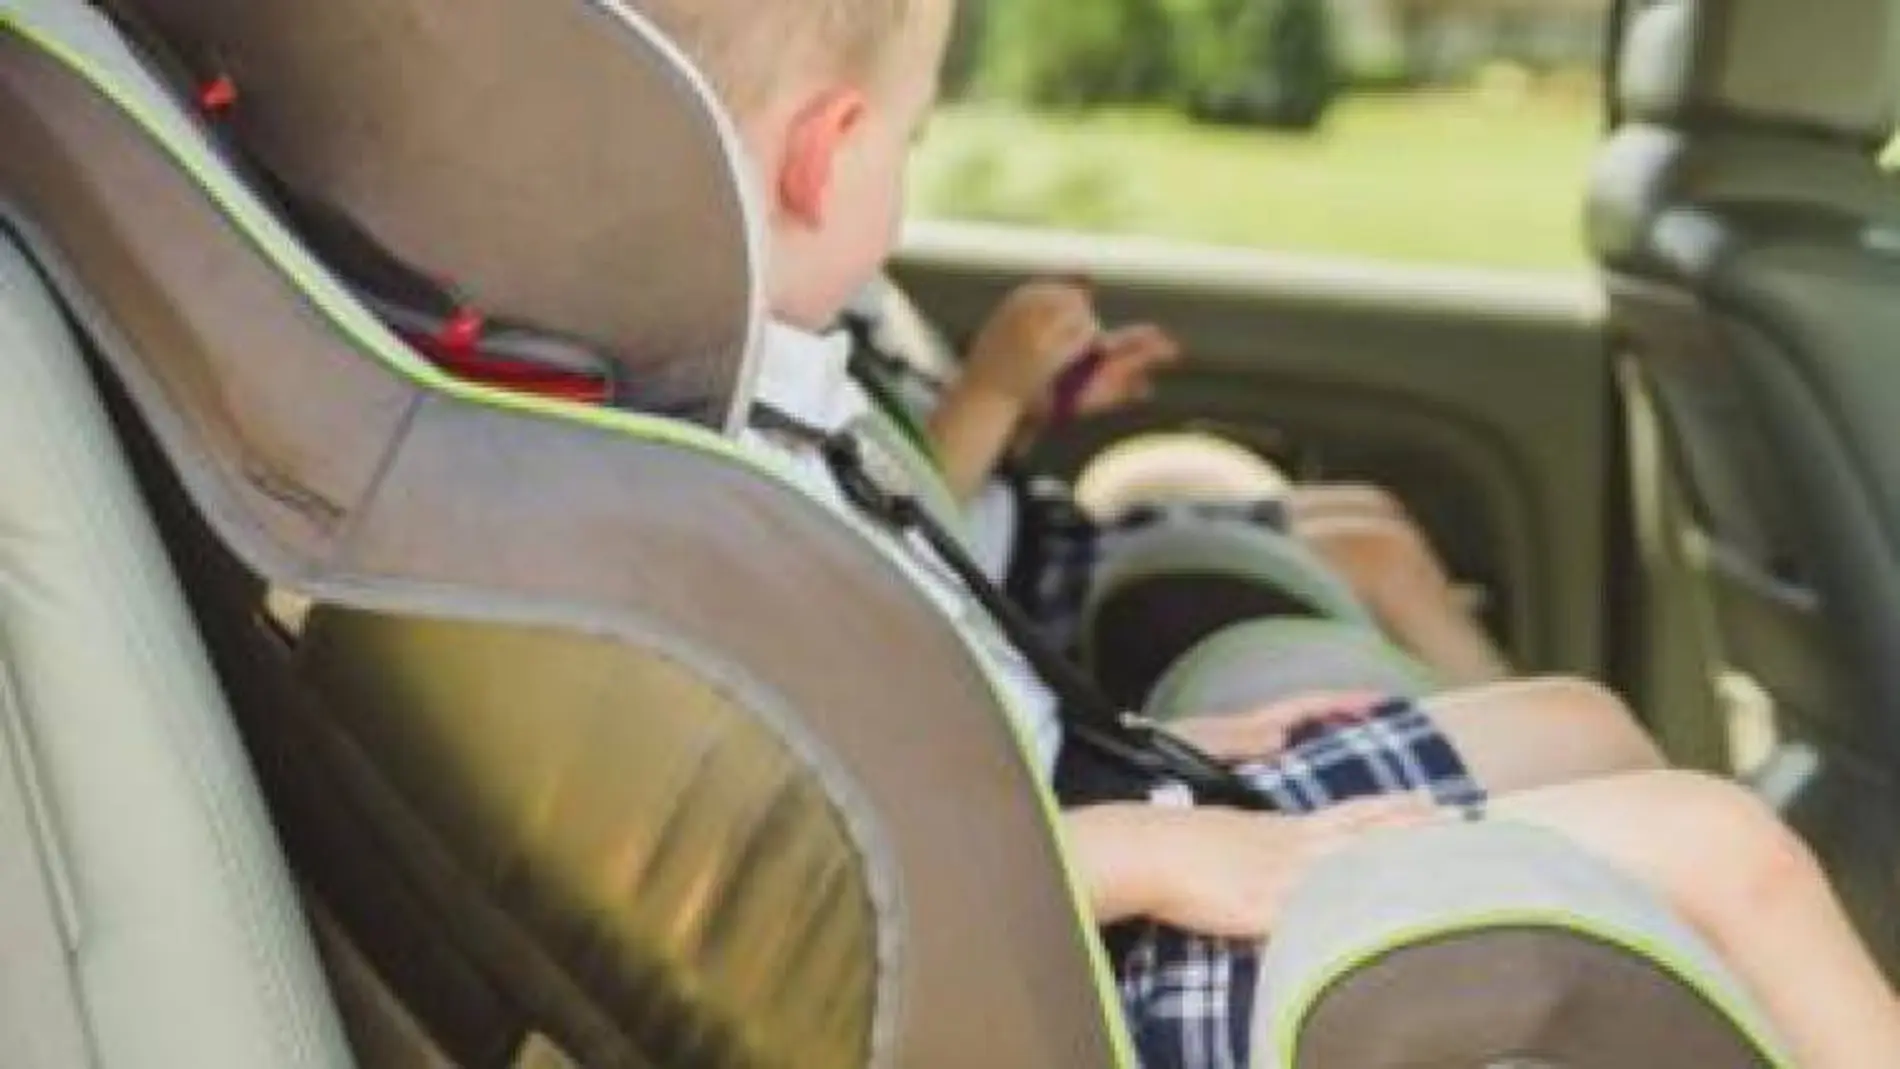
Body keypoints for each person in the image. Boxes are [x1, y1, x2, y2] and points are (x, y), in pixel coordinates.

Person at [622, 1, 1900, 1064]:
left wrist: (1121, 750)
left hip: (1073, 846)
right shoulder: (722, 482)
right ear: (827, 154)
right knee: (1729, 852)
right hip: (1076, 964)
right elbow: (803, 860)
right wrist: (1146, 842)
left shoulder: (768, 409)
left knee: (1588, 728)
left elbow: (925, 699)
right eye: (915, 138)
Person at [858, 274, 1513, 685]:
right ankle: (1518, 751)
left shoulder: (858, 314)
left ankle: (1483, 704)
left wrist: (1031, 406)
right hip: (1017, 608)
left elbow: (948, 465)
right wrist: (993, 386)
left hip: (1040, 536)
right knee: (1377, 555)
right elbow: (899, 523)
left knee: (1369, 514)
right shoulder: (797, 357)